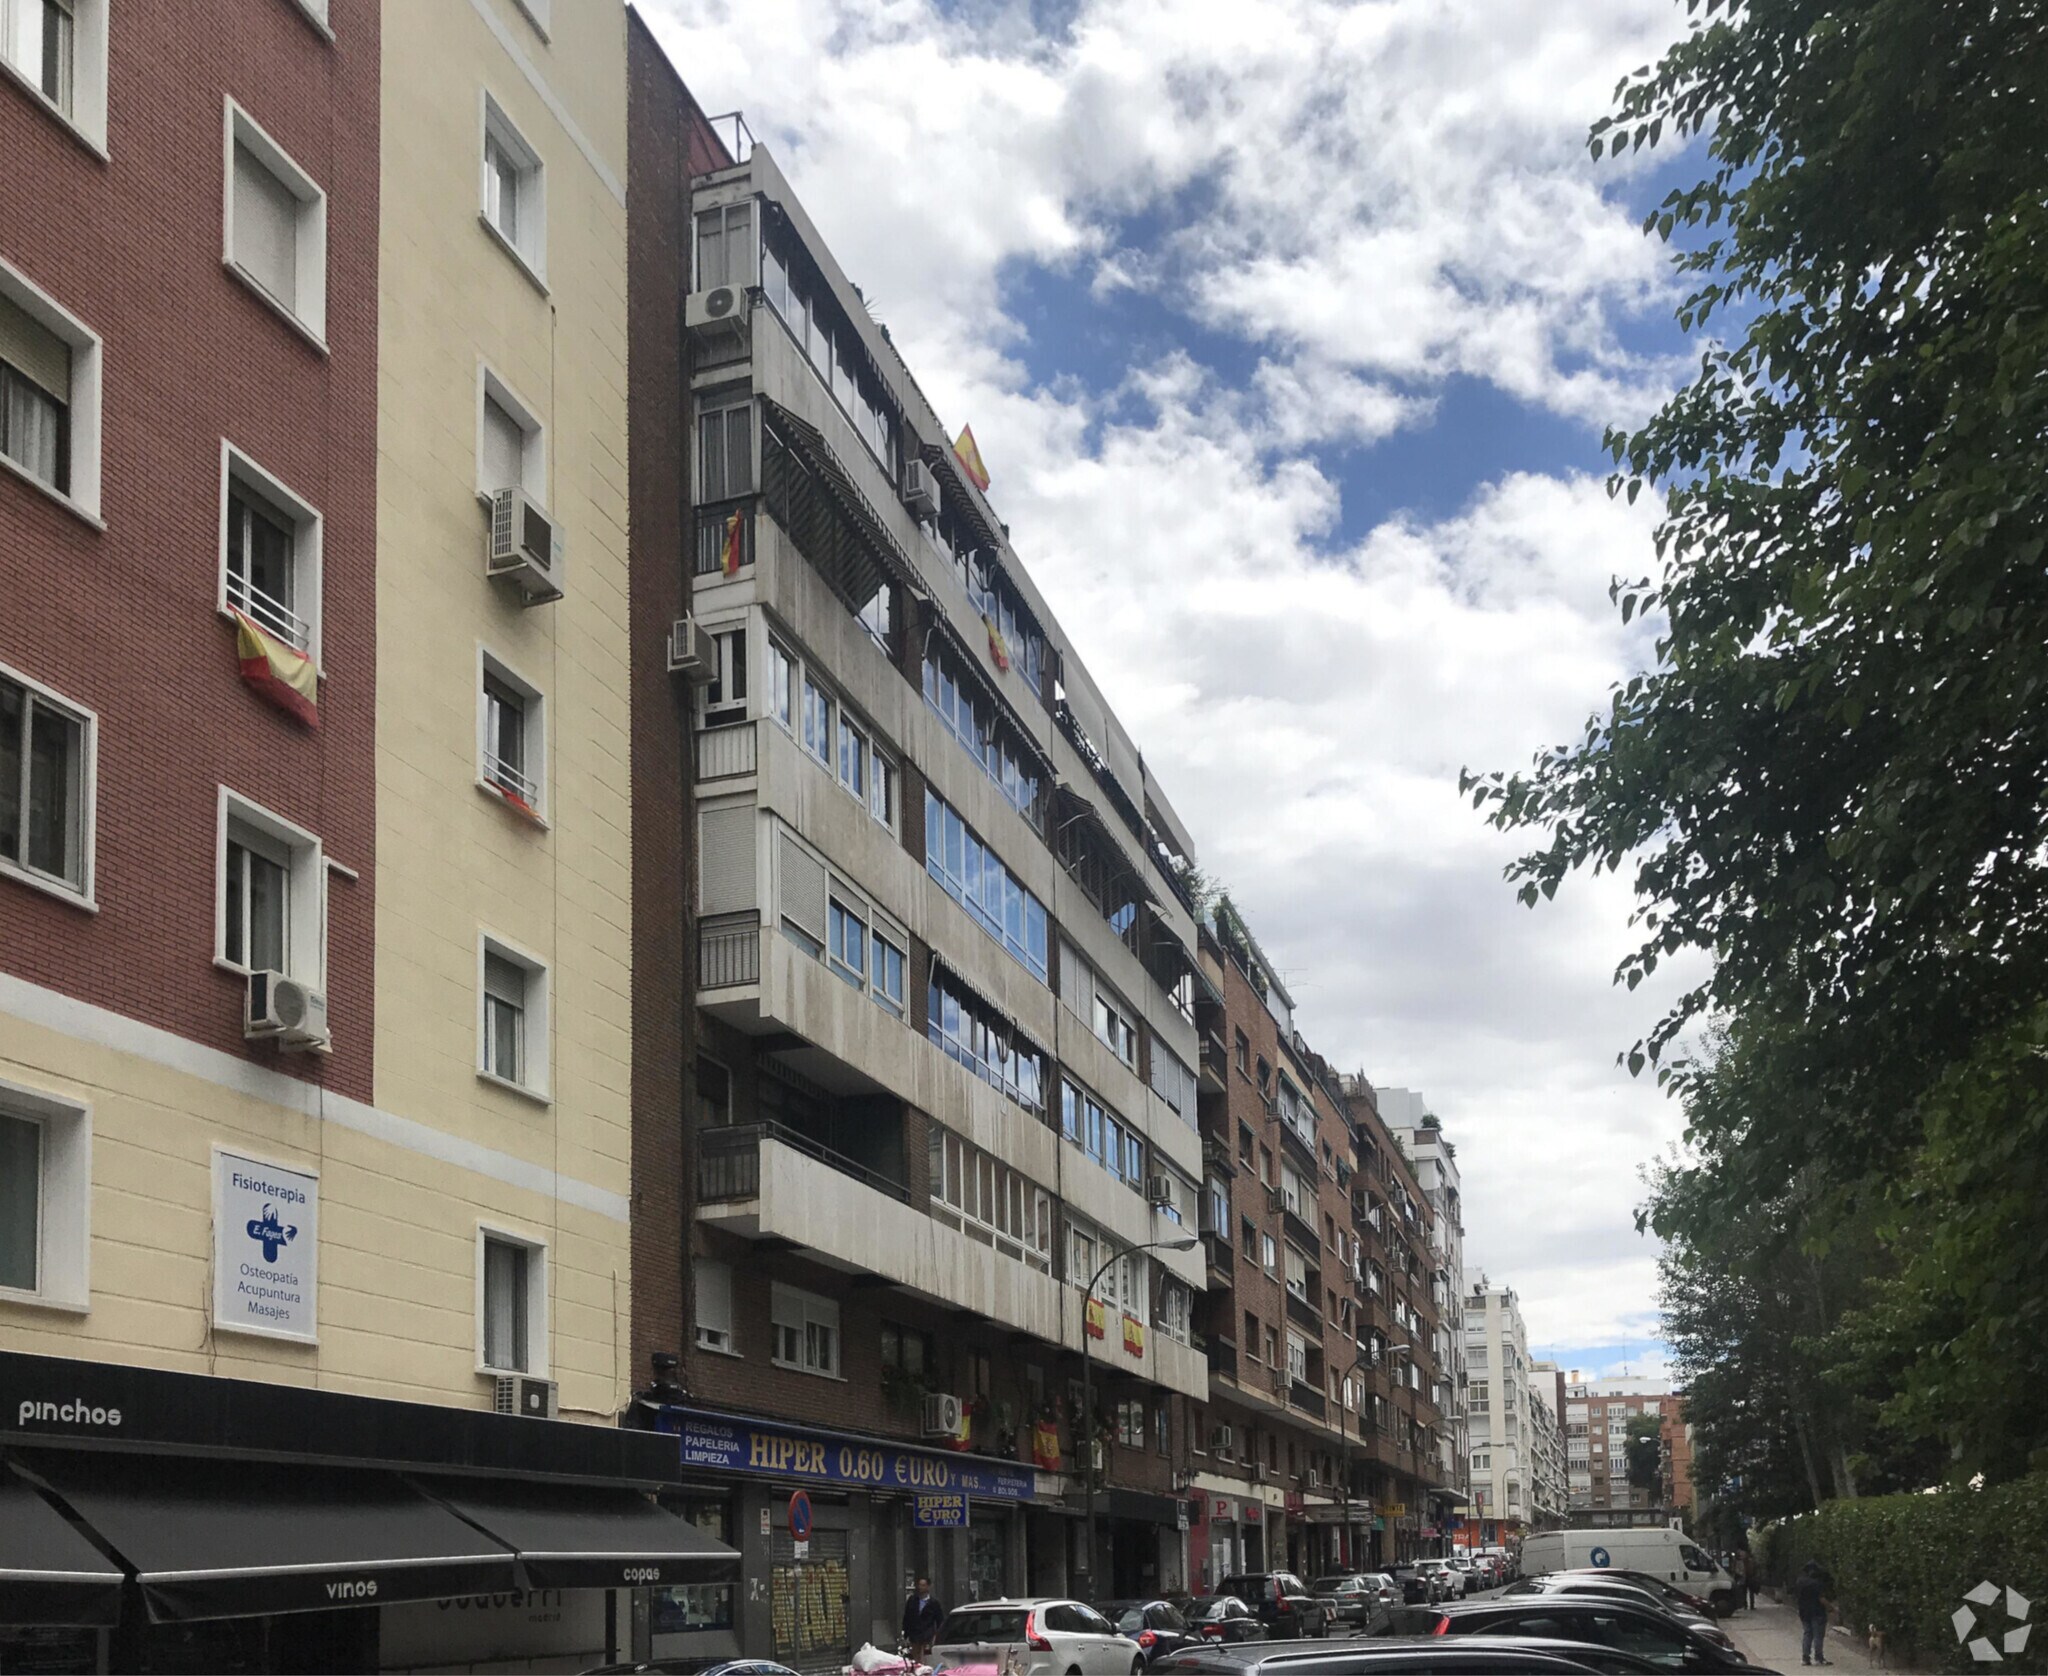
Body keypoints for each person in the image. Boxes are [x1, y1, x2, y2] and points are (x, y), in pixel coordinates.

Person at [1794, 1559, 1833, 1666]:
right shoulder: (1818, 1583)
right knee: (1818, 1635)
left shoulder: (1800, 1581)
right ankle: (1819, 1658)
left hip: (1804, 1612)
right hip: (1817, 1612)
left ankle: (1805, 1658)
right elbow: (1821, 1599)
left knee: (1807, 1633)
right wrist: (1831, 1608)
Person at [902, 1576, 945, 1658]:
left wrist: (936, 1636)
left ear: (928, 1586)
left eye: (923, 1585)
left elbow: (940, 1620)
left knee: (926, 1657)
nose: (920, 1587)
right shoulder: (912, 1600)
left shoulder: (934, 1603)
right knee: (915, 1657)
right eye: (919, 1585)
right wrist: (905, 1635)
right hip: (914, 1635)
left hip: (927, 1635)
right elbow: (907, 1618)